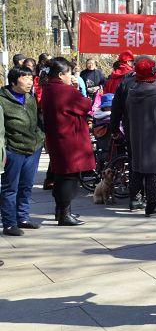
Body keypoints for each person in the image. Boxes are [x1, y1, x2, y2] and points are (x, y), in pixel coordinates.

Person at [40, 57, 93, 226]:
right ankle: (65, 214)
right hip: (70, 140)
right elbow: (85, 105)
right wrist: (77, 90)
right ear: (61, 75)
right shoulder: (65, 91)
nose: (72, 77)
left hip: (57, 138)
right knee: (68, 177)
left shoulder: (48, 89)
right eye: (70, 73)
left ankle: (60, 211)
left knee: (60, 175)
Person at [125, 57, 156, 217]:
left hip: (136, 136)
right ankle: (152, 205)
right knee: (154, 173)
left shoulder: (131, 91)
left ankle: (136, 200)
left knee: (138, 169)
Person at [0, 66, 45, 235]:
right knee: (10, 188)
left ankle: (23, 217)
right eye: (24, 78)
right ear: (13, 82)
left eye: (30, 78)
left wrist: (40, 137)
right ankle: (9, 223)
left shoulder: (30, 98)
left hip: (32, 148)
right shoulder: (2, 100)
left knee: (26, 185)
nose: (29, 81)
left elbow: (36, 120)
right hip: (13, 149)